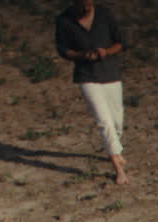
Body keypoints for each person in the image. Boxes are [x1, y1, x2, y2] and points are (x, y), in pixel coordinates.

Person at [55, 0, 128, 185]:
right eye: (82, 5)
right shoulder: (64, 20)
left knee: (117, 120)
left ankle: (114, 147)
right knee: (104, 120)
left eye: (89, 5)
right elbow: (63, 50)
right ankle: (117, 166)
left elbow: (120, 42)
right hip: (86, 75)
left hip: (110, 72)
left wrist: (106, 52)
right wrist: (83, 55)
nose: (86, 8)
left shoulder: (105, 14)